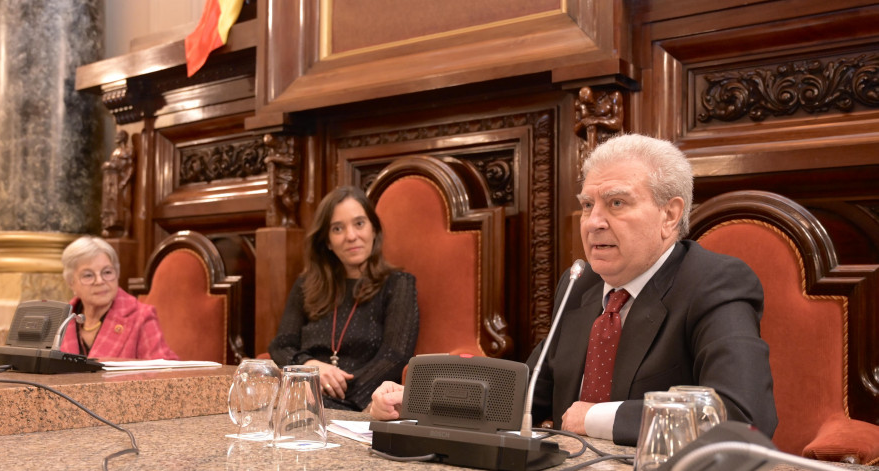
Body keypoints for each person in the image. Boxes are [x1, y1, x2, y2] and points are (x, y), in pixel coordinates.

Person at [370, 134, 777, 446]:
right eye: (587, 205)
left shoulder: (712, 282)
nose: (593, 222)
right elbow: (526, 394)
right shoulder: (581, 284)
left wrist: (598, 417)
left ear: (669, 215)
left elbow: (741, 414)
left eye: (616, 203)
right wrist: (419, 402)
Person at [269, 185, 419, 412]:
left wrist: (335, 393)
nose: (351, 236)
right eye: (337, 228)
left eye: (359, 224)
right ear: (327, 241)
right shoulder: (306, 285)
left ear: (374, 230)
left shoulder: (398, 284)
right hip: (303, 396)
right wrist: (310, 368)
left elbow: (394, 357)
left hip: (363, 403)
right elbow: (281, 346)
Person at [59, 236, 178, 360]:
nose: (100, 281)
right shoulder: (61, 320)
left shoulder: (141, 317)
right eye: (88, 275)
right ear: (71, 282)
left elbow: (165, 371)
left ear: (117, 274)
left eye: (107, 272)